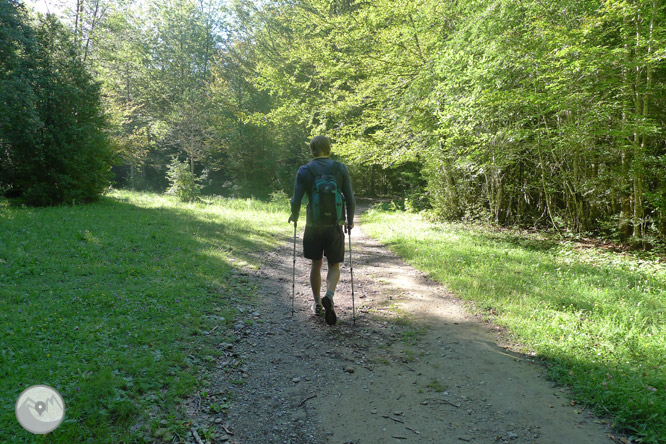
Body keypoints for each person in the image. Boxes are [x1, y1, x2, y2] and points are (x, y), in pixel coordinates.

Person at [289, 135, 355, 325]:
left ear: (312, 150)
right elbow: (350, 198)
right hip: (334, 226)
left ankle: (317, 303)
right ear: (329, 148)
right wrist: (349, 221)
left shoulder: (305, 170)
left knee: (315, 265)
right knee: (334, 265)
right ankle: (330, 295)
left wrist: (294, 215)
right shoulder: (340, 168)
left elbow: (296, 199)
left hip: (313, 226)